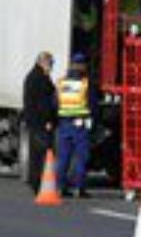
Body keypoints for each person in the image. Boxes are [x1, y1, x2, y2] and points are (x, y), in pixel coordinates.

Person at [55, 54, 95, 198]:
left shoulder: (62, 83)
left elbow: (55, 103)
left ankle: (60, 187)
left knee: (63, 157)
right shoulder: (85, 84)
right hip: (80, 125)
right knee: (80, 157)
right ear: (82, 65)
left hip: (64, 124)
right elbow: (92, 105)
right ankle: (79, 188)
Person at [21, 51, 57, 192]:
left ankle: (36, 182)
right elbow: (44, 103)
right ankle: (38, 183)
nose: (52, 67)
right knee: (41, 154)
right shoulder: (40, 78)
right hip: (40, 122)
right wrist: (48, 120)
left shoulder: (34, 76)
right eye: (51, 64)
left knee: (36, 153)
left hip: (34, 121)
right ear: (43, 63)